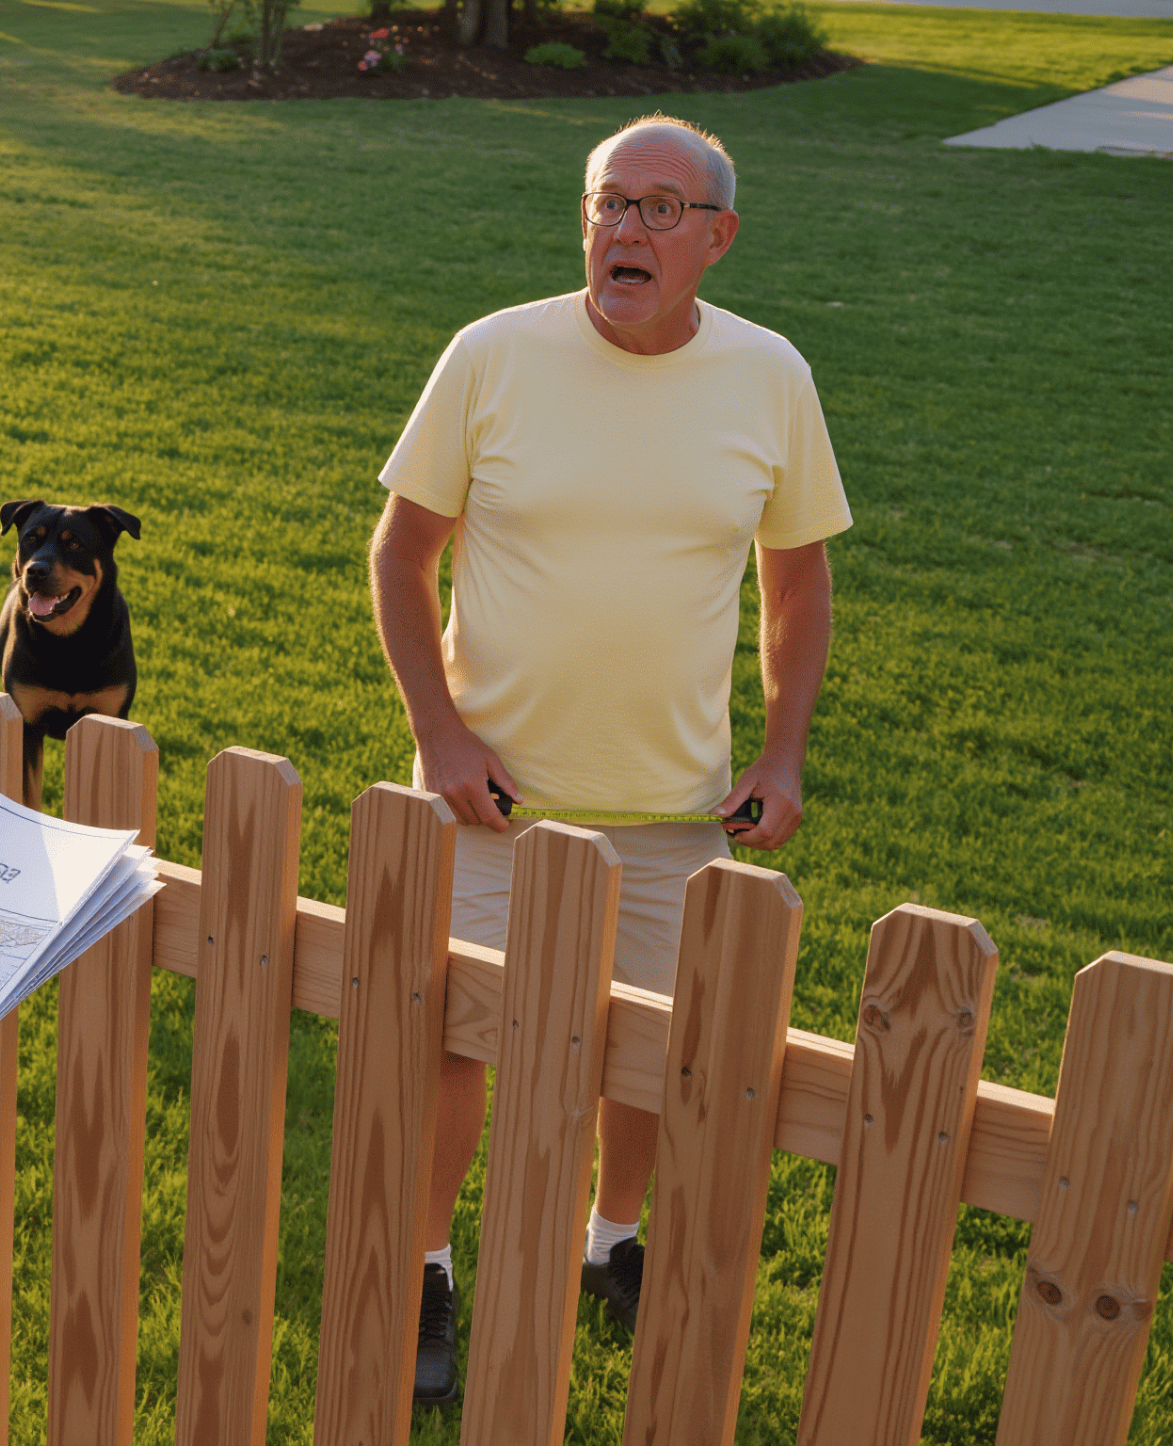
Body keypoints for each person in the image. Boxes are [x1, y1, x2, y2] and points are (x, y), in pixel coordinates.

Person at [369, 112, 849, 1404]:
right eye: (606, 204)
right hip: (491, 798)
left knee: (652, 1052)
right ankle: (424, 1263)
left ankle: (610, 1241)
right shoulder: (489, 358)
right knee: (456, 1048)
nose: (624, 229)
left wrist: (783, 751)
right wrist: (440, 732)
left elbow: (796, 587)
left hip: (674, 807)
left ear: (717, 239)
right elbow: (399, 557)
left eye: (657, 209)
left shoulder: (770, 379)